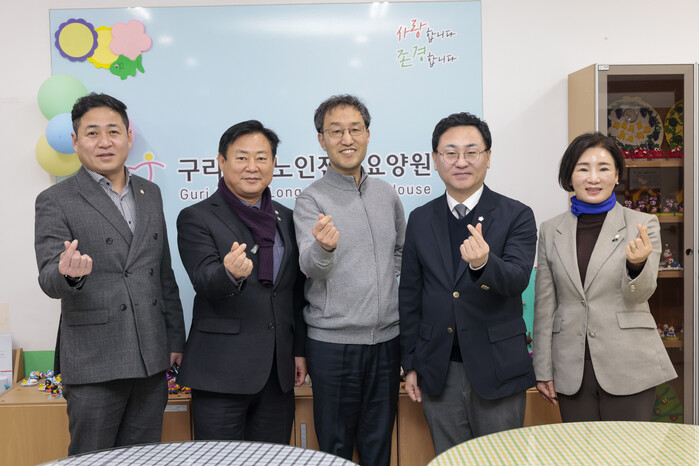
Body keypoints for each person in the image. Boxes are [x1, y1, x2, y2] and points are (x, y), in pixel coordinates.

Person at [34, 93, 185, 455]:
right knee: (92, 458)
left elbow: (163, 273)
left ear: (128, 137)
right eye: (92, 133)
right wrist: (68, 274)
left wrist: (174, 339)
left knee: (143, 457)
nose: (104, 142)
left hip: (151, 356)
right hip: (94, 360)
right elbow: (48, 279)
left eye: (113, 131)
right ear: (75, 141)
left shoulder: (150, 193)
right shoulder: (56, 199)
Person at [399, 112, 536, 454]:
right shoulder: (420, 218)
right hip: (438, 368)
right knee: (448, 459)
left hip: (497, 368)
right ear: (435, 160)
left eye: (472, 152)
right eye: (450, 153)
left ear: (487, 158)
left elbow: (518, 279)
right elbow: (410, 295)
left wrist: (484, 264)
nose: (461, 162)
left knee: (501, 460)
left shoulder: (516, 214)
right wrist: (411, 362)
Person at [176, 120, 307, 442]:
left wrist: (298, 350)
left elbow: (293, 293)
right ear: (221, 162)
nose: (252, 167)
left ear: (273, 164)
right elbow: (203, 279)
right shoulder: (197, 216)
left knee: (274, 459)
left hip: (276, 373)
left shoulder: (287, 218)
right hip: (220, 372)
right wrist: (229, 273)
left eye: (261, 158)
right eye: (241, 157)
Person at [533, 132, 676, 421]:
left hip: (629, 363)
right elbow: (546, 304)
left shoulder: (642, 224)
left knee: (628, 448)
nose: (593, 178)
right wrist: (543, 369)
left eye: (603, 168)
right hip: (571, 367)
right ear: (569, 176)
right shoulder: (551, 230)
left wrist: (636, 265)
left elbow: (642, 293)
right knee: (579, 448)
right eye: (583, 168)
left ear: (617, 175)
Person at [293, 94, 405, 465]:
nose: (347, 139)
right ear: (321, 139)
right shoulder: (311, 200)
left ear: (367, 135)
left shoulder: (387, 194)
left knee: (379, 446)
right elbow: (310, 266)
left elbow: (400, 251)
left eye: (355, 129)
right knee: (335, 449)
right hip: (332, 345)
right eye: (336, 131)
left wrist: (382, 285)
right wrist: (324, 248)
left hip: (386, 342)